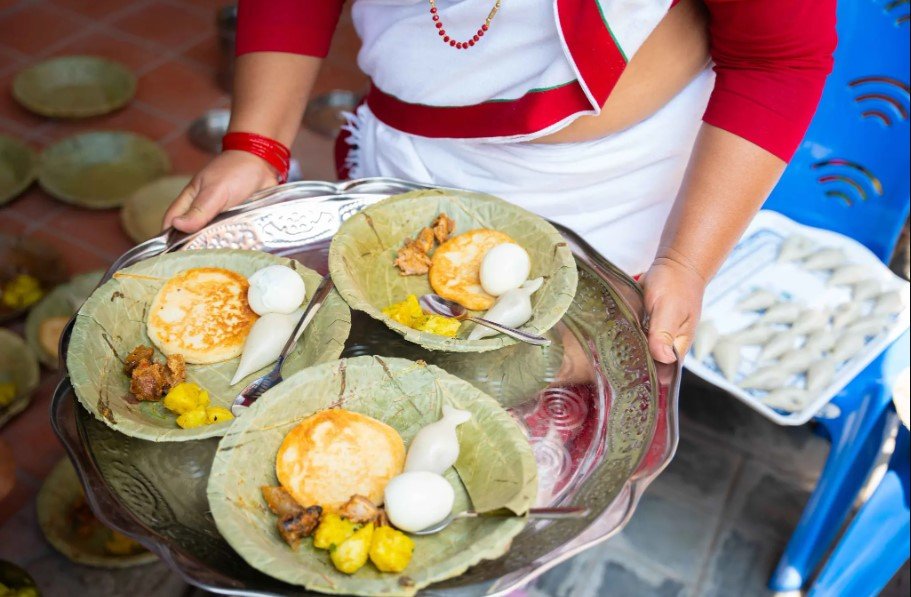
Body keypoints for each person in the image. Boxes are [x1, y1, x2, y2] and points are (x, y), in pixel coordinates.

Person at [163, 0, 836, 364]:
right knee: (379, 368)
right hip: (408, 164)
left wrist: (685, 259)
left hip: (606, 197)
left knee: (538, 412)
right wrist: (257, 141)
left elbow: (779, 57)